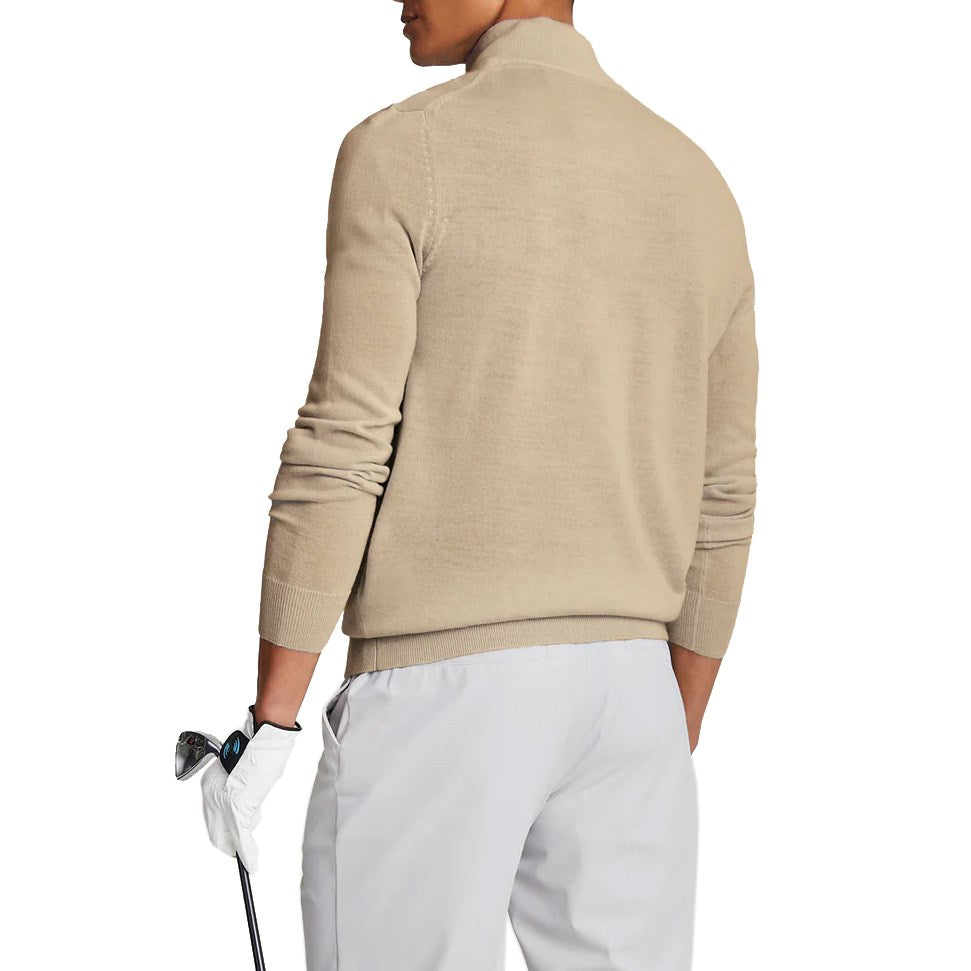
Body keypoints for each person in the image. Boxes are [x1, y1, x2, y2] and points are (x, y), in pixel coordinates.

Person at [199, 2, 758, 969]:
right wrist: (672, 722)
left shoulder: (405, 149)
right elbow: (724, 490)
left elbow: (344, 442)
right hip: (633, 691)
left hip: (441, 686)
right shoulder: (697, 180)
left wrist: (271, 723)